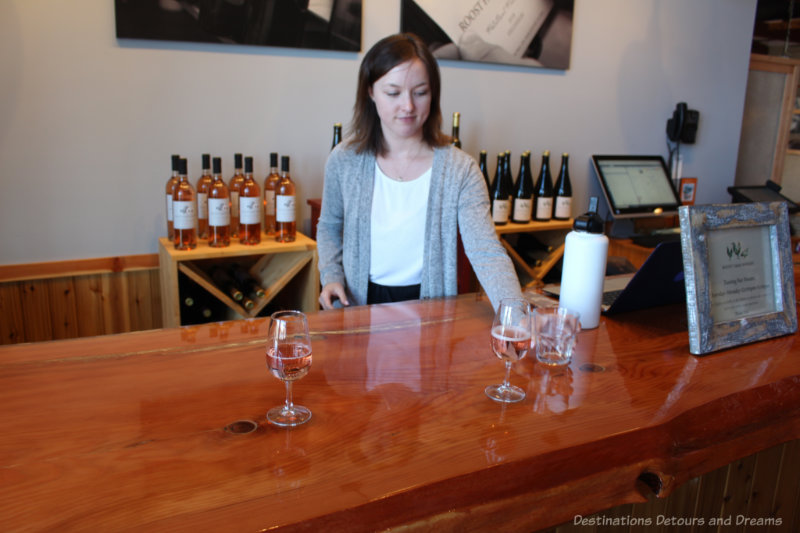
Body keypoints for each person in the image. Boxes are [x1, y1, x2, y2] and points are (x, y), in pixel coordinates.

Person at [316, 32, 523, 310]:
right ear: (370, 91)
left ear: (433, 94)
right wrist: (331, 276)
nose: (408, 106)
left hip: (431, 309)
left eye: (420, 92)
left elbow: (487, 253)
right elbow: (329, 226)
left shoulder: (460, 170)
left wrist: (516, 316)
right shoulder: (344, 160)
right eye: (393, 93)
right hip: (360, 306)